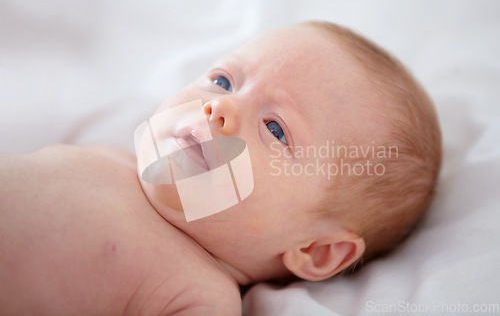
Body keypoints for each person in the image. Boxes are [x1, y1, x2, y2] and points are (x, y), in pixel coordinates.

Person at [0, 20, 441, 315]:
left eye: (276, 129)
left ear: (315, 251)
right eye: (224, 81)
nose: (220, 108)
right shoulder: (112, 156)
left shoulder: (196, 293)